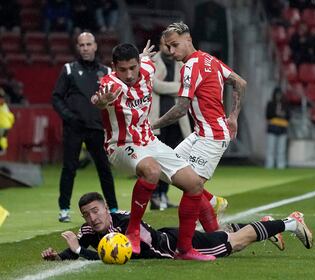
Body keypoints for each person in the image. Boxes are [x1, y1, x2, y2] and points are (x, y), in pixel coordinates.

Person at [90, 42, 219, 261]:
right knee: (151, 170)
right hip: (120, 145)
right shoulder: (110, 83)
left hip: (149, 141)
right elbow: (98, 98)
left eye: (133, 67)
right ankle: (132, 231)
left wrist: (144, 56)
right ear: (114, 67)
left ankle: (185, 250)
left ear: (139, 64)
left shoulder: (148, 67)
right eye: (122, 69)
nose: (129, 74)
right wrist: (100, 102)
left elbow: (146, 60)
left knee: (194, 184)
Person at [152, 22, 247, 222]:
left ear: (189, 39)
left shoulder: (190, 67)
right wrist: (233, 117)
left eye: (175, 45)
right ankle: (213, 203)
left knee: (191, 188)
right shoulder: (210, 60)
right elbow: (240, 82)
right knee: (165, 170)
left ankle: (206, 233)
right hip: (200, 134)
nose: (170, 51)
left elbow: (180, 109)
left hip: (212, 136)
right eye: (168, 46)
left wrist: (151, 126)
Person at [41, 192, 314, 261]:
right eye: (87, 214)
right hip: (170, 237)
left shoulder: (124, 224)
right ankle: (268, 225)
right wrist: (60, 256)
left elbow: (129, 256)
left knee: (234, 242)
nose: (92, 218)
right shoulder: (90, 230)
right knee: (222, 234)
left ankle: (290, 223)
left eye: (96, 210)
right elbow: (81, 245)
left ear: (105, 208)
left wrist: (78, 253)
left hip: (173, 246)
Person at [52, 32, 119, 223]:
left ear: (95, 46)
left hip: (97, 128)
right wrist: (69, 117)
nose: (85, 48)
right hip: (74, 128)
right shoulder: (69, 69)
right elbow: (56, 97)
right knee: (69, 168)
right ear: (77, 47)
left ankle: (113, 208)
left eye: (89, 44)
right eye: (82, 45)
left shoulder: (106, 72)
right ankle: (64, 209)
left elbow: (114, 99)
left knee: (104, 169)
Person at [148, 36, 192, 210]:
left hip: (176, 119)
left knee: (172, 158)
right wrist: (179, 87)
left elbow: (187, 86)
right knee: (156, 160)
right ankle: (154, 195)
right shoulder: (152, 61)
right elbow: (154, 85)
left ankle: (164, 195)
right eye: (165, 45)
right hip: (157, 120)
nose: (169, 48)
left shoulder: (181, 63)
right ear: (160, 45)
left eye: (171, 45)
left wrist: (176, 87)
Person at [265, 87, 290, 169]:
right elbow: (268, 115)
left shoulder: (285, 105)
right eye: (277, 94)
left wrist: (282, 114)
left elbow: (289, 116)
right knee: (271, 149)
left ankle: (281, 166)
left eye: (280, 94)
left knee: (281, 150)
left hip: (282, 129)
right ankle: (269, 165)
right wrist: (277, 114)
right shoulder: (270, 104)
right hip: (272, 128)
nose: (278, 96)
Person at [0, 88, 15, 154]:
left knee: (3, 137)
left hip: (2, 125)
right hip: (5, 125)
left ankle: (2, 149)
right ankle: (2, 149)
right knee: (3, 137)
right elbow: (11, 117)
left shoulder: (3, 106)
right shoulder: (5, 107)